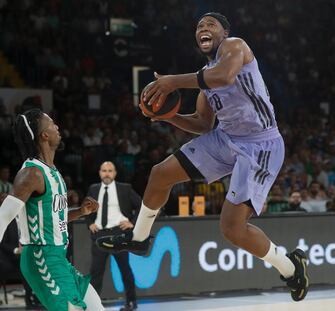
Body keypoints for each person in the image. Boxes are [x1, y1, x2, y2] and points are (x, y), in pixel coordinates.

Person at [97, 12, 309, 301]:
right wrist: (168, 117)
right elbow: (202, 124)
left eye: (211, 25)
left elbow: (223, 76)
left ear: (224, 32)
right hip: (226, 138)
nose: (203, 29)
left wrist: (172, 82)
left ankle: (289, 266)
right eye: (199, 26)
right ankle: (140, 237)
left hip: (260, 146)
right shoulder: (205, 74)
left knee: (232, 229)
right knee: (160, 174)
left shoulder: (235, 47)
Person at [0, 108, 105, 311]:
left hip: (58, 257)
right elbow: (3, 217)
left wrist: (81, 212)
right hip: (42, 258)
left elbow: (52, 218)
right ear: (44, 135)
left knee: (96, 307)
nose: (57, 126)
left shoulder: (52, 172)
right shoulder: (31, 173)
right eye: (52, 124)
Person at [86, 161, 141, 311]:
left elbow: (141, 205)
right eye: (104, 170)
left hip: (119, 234)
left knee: (125, 270)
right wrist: (90, 223)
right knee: (95, 273)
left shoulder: (125, 188)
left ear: (115, 173)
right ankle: (93, 305)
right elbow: (86, 209)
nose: (107, 173)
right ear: (100, 173)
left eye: (110, 171)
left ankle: (131, 302)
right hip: (99, 235)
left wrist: (132, 223)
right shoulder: (94, 189)